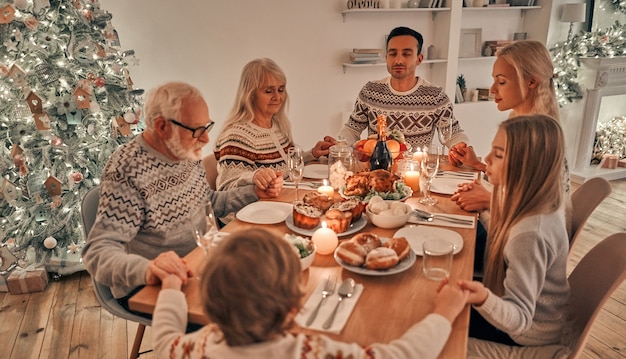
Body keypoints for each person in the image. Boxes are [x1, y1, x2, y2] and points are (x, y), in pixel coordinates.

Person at [152, 228, 469, 359]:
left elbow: (165, 342)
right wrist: (445, 311)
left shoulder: (203, 346)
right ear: (293, 306)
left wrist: (169, 287)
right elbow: (405, 357)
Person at [82, 81, 283, 307]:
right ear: (162, 127)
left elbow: (208, 203)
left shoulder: (184, 151)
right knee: (257, 310)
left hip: (203, 260)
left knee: (278, 276)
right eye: (197, 130)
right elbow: (98, 253)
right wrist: (148, 269)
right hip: (156, 284)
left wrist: (254, 192)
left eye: (206, 127)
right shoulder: (127, 171)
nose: (206, 139)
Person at [426, 115, 571, 359]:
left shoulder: (531, 233)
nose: (487, 159)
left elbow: (519, 320)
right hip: (543, 315)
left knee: (420, 314)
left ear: (526, 167)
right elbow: (507, 243)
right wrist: (484, 212)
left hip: (527, 337)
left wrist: (482, 297)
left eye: (498, 154)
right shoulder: (537, 203)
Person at [449, 40, 571, 213]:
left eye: (502, 82)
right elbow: (518, 182)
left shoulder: (539, 135)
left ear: (531, 82)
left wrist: (488, 199)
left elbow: (545, 210)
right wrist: (477, 165)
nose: (492, 89)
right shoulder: (522, 121)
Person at [337, 26, 468, 161]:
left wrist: (459, 148)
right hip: (377, 171)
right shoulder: (371, 91)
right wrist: (339, 144)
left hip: (416, 172)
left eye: (406, 54)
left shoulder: (435, 96)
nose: (398, 60)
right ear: (386, 57)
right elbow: (352, 130)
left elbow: (453, 134)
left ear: (419, 59)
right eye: (393, 54)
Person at [214, 58, 335, 191]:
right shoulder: (237, 136)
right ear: (251, 95)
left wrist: (312, 154)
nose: (277, 97)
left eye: (281, 90)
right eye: (269, 91)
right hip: (257, 209)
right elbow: (225, 189)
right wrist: (254, 177)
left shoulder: (276, 125)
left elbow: (284, 168)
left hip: (280, 199)